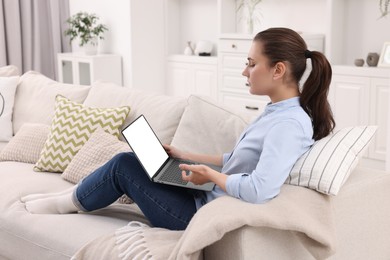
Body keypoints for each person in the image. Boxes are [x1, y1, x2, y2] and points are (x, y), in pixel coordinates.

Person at [22, 27, 335, 231]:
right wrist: (186, 155)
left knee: (123, 165)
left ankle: (66, 204)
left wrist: (210, 176)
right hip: (205, 197)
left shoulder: (289, 125)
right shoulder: (277, 112)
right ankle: (73, 196)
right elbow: (240, 159)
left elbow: (259, 189)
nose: (245, 71)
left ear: (278, 70)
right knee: (144, 158)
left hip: (198, 217)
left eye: (251, 64)